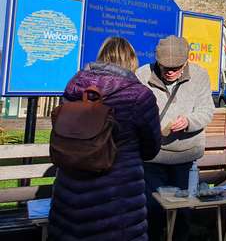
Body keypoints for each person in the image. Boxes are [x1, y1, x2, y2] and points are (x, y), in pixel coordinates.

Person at [48, 37, 162, 241]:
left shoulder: (74, 87)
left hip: (69, 195)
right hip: (115, 201)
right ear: (131, 61)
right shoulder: (139, 96)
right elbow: (151, 147)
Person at [136, 36, 215, 241]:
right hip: (153, 158)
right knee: (152, 211)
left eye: (176, 67)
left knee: (183, 214)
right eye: (165, 67)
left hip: (186, 158)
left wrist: (189, 121)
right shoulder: (142, 75)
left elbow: (207, 111)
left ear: (186, 61)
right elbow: (135, 113)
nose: (170, 72)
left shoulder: (200, 75)